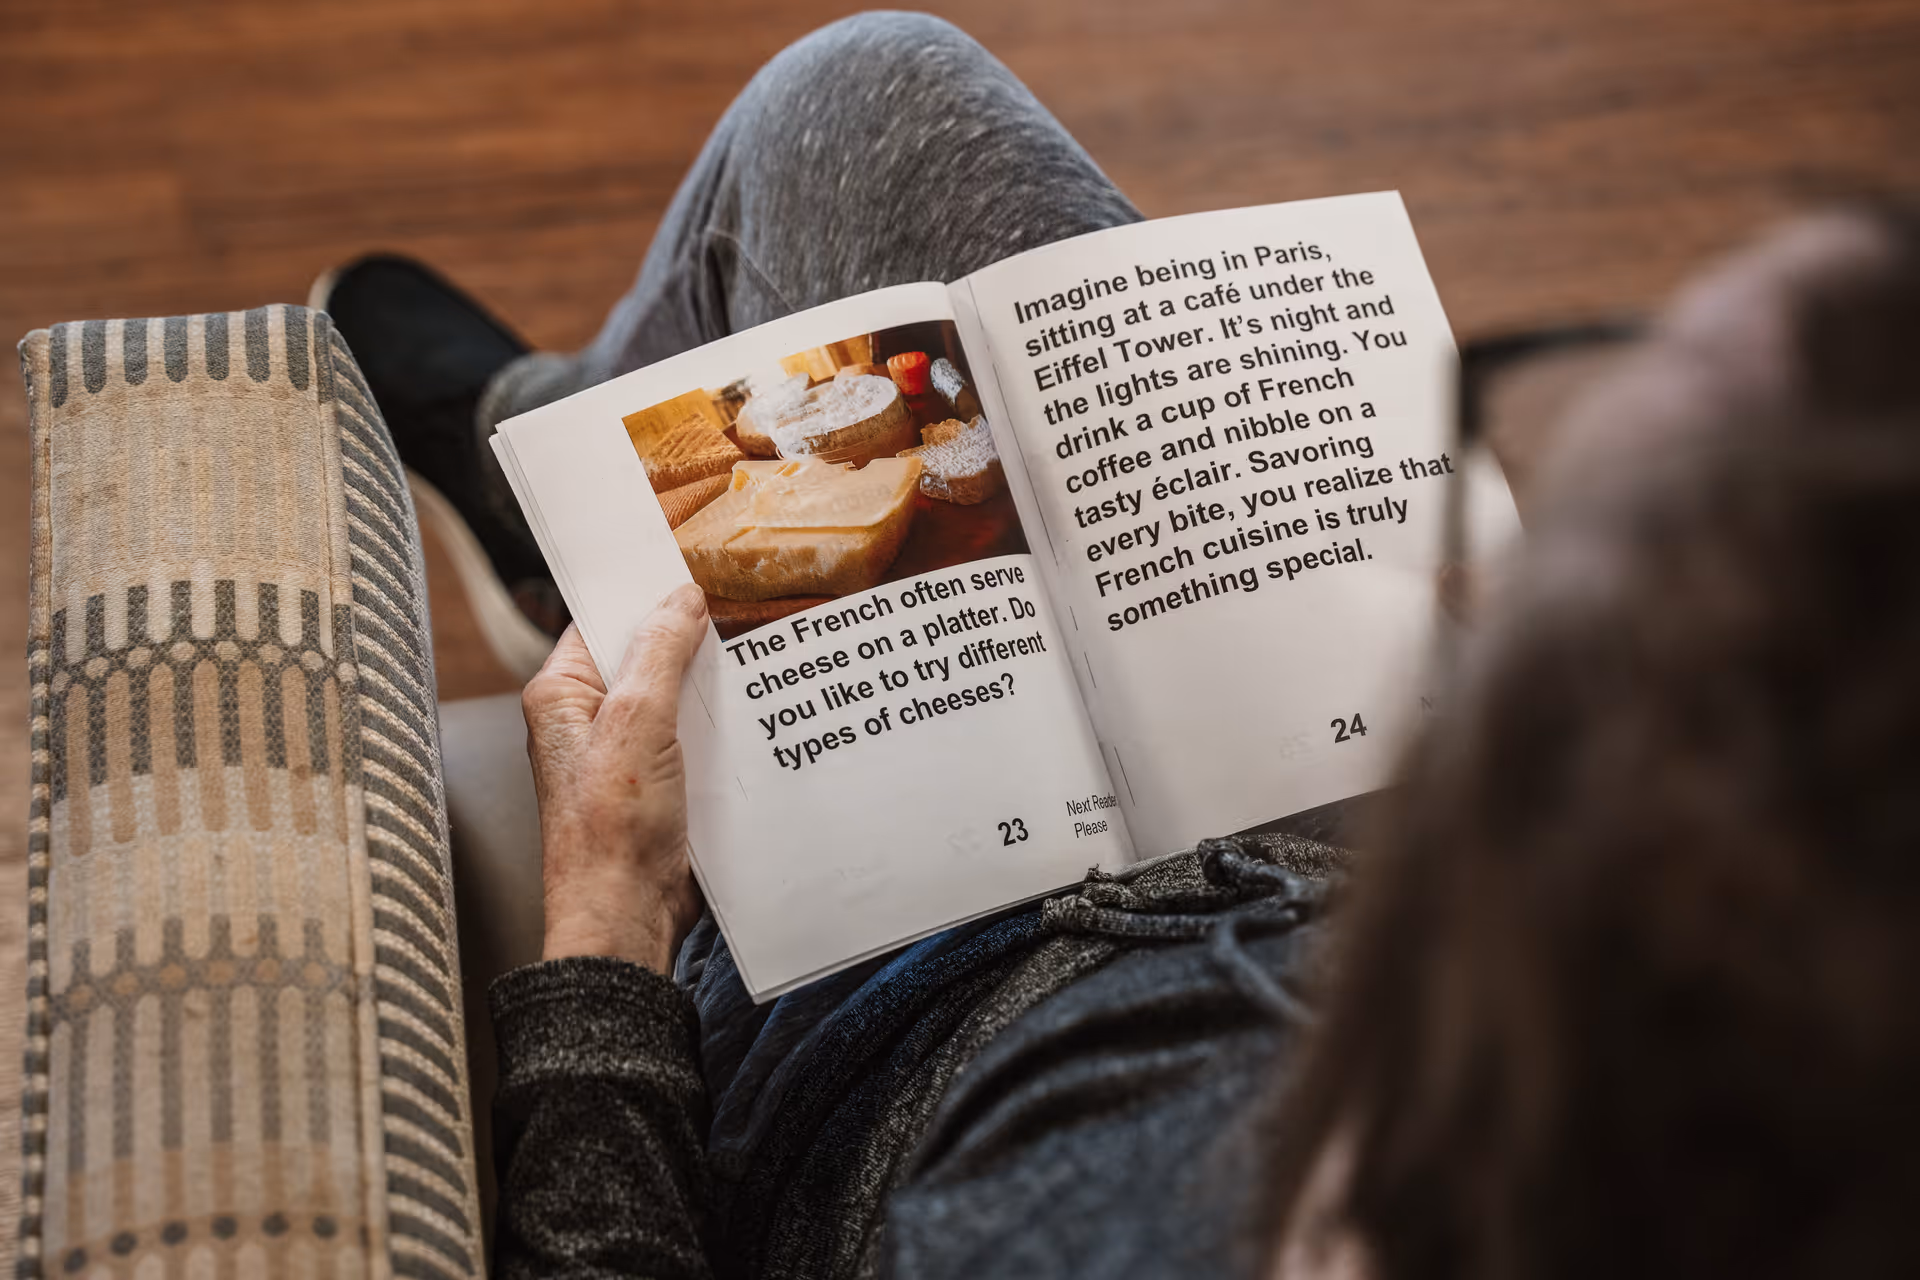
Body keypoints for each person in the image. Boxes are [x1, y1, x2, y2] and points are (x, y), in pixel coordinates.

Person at [322, 13, 1920, 1279]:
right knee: (883, 96)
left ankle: (564, 505)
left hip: (906, 1002)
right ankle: (549, 479)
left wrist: (605, 929)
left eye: (1612, 511)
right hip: (1373, 885)